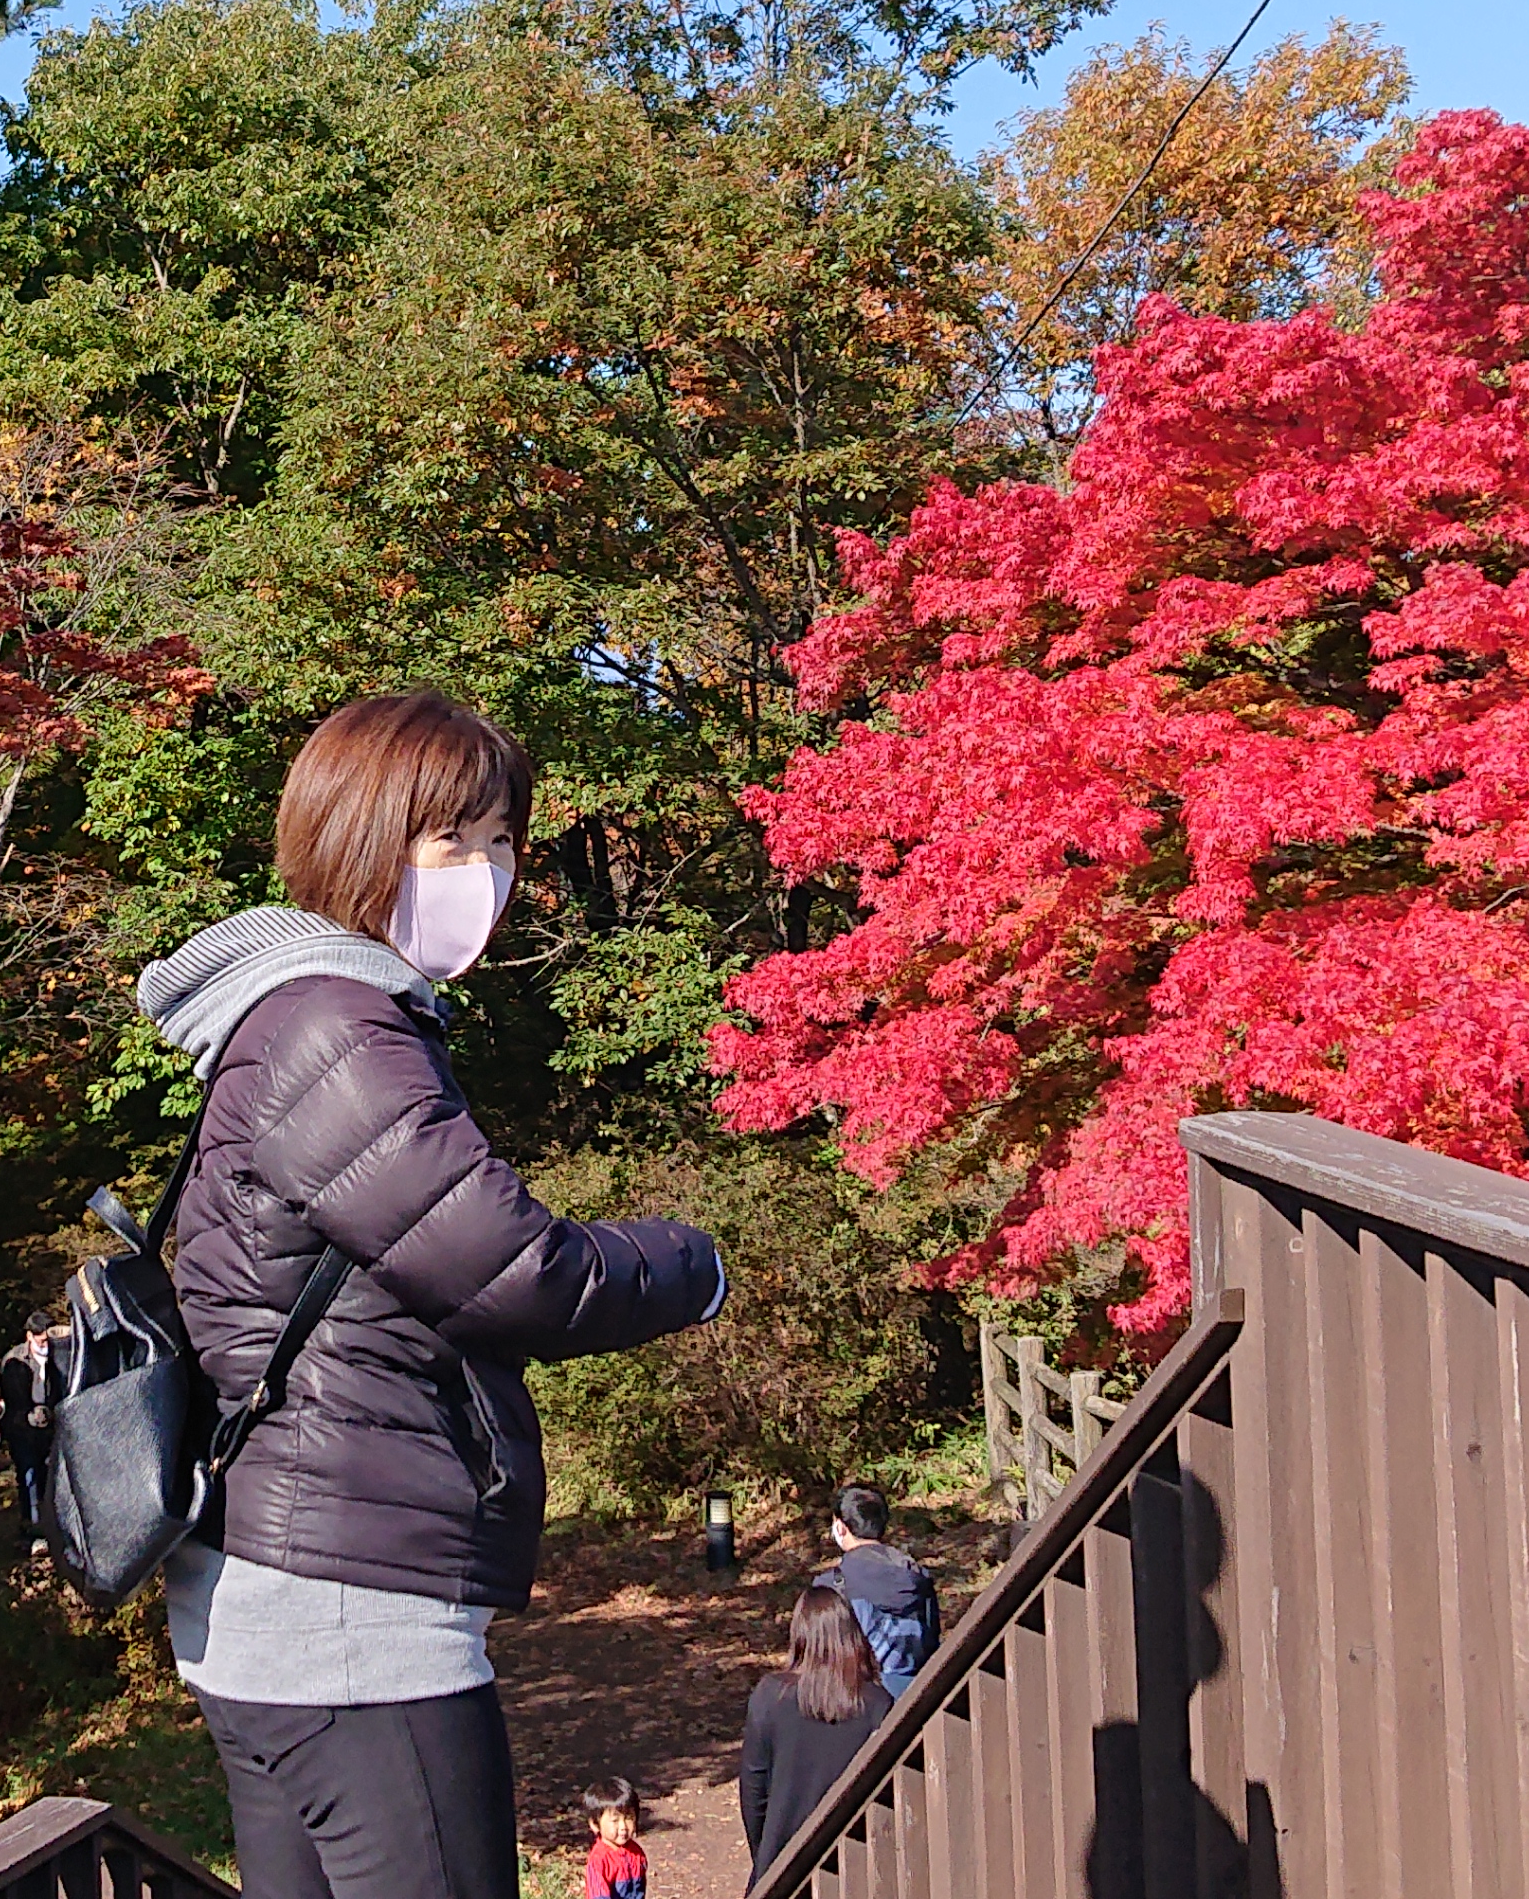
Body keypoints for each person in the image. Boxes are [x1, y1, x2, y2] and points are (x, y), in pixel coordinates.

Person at [149, 693, 727, 1899]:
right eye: (449, 841)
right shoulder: (337, 1027)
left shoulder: (307, 1013)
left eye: (502, 839)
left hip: (282, 1589)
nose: (488, 872)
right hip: (349, 1617)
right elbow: (514, 1275)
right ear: (360, 837)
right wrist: (692, 1262)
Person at [739, 1579, 895, 1877]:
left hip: (782, 1857)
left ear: (799, 1635)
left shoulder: (771, 1695)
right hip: (855, 1865)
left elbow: (753, 1788)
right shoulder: (877, 1703)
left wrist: (765, 1853)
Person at [828, 1482, 940, 1698]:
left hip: (859, 1701)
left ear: (841, 1527)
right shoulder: (917, 1576)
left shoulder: (832, 1584)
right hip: (918, 1696)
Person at [578, 1780, 649, 1899]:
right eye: (615, 1821)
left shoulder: (636, 1852)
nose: (623, 1827)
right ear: (595, 1824)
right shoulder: (599, 1861)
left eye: (629, 1818)